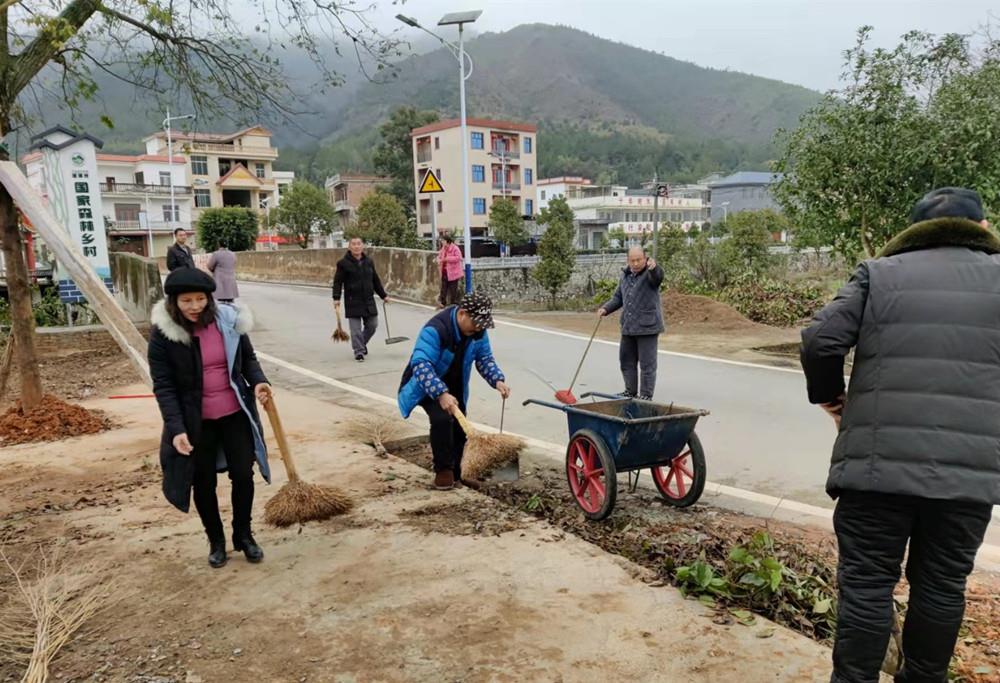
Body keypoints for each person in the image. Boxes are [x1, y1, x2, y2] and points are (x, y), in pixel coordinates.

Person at [800, 187, 999, 683]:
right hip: (967, 476)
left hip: (874, 469)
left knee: (866, 585)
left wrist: (832, 398)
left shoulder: (879, 274)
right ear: (981, 229)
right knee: (941, 586)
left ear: (913, 232)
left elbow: (820, 340)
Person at [148, 267, 272, 569]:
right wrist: (176, 428)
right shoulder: (164, 335)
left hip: (235, 413)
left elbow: (248, 360)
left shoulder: (228, 322)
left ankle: (243, 535)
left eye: (200, 299)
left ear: (210, 298)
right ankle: (216, 541)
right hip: (195, 421)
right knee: (202, 482)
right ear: (174, 302)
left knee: (243, 474)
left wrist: (259, 382)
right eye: (186, 300)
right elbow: (164, 386)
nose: (194, 307)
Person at [397, 292, 510, 490]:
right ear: (462, 314)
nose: (478, 328)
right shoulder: (436, 329)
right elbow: (421, 364)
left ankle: (458, 473)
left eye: (482, 324)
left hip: (455, 383)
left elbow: (484, 359)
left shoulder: (478, 332)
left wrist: (497, 380)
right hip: (427, 384)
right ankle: (443, 472)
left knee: (460, 426)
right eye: (475, 323)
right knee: (442, 419)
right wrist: (440, 393)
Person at [598, 246, 664, 400]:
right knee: (626, 360)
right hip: (628, 326)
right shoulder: (625, 276)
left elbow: (658, 277)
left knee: (647, 365)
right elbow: (618, 298)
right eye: (632, 260)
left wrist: (654, 269)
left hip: (647, 327)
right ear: (628, 260)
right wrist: (605, 309)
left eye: (638, 260)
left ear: (645, 258)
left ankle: (646, 395)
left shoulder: (650, 273)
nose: (635, 263)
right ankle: (630, 391)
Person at [332, 236, 389, 362]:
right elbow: (337, 282)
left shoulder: (369, 261)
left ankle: (361, 344)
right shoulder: (343, 264)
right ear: (349, 247)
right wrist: (336, 298)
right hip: (353, 300)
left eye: (359, 244)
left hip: (368, 300)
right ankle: (359, 351)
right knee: (355, 330)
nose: (357, 246)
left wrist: (383, 295)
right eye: (354, 244)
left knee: (373, 325)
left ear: (362, 246)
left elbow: (375, 280)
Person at [437, 233, 463, 307]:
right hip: (445, 271)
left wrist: (447, 259)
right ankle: (442, 302)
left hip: (453, 272)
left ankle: (453, 303)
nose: (442, 242)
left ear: (447, 241)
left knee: (453, 289)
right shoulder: (443, 248)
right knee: (443, 288)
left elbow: (459, 258)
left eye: (443, 240)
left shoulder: (455, 248)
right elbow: (439, 256)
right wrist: (438, 259)